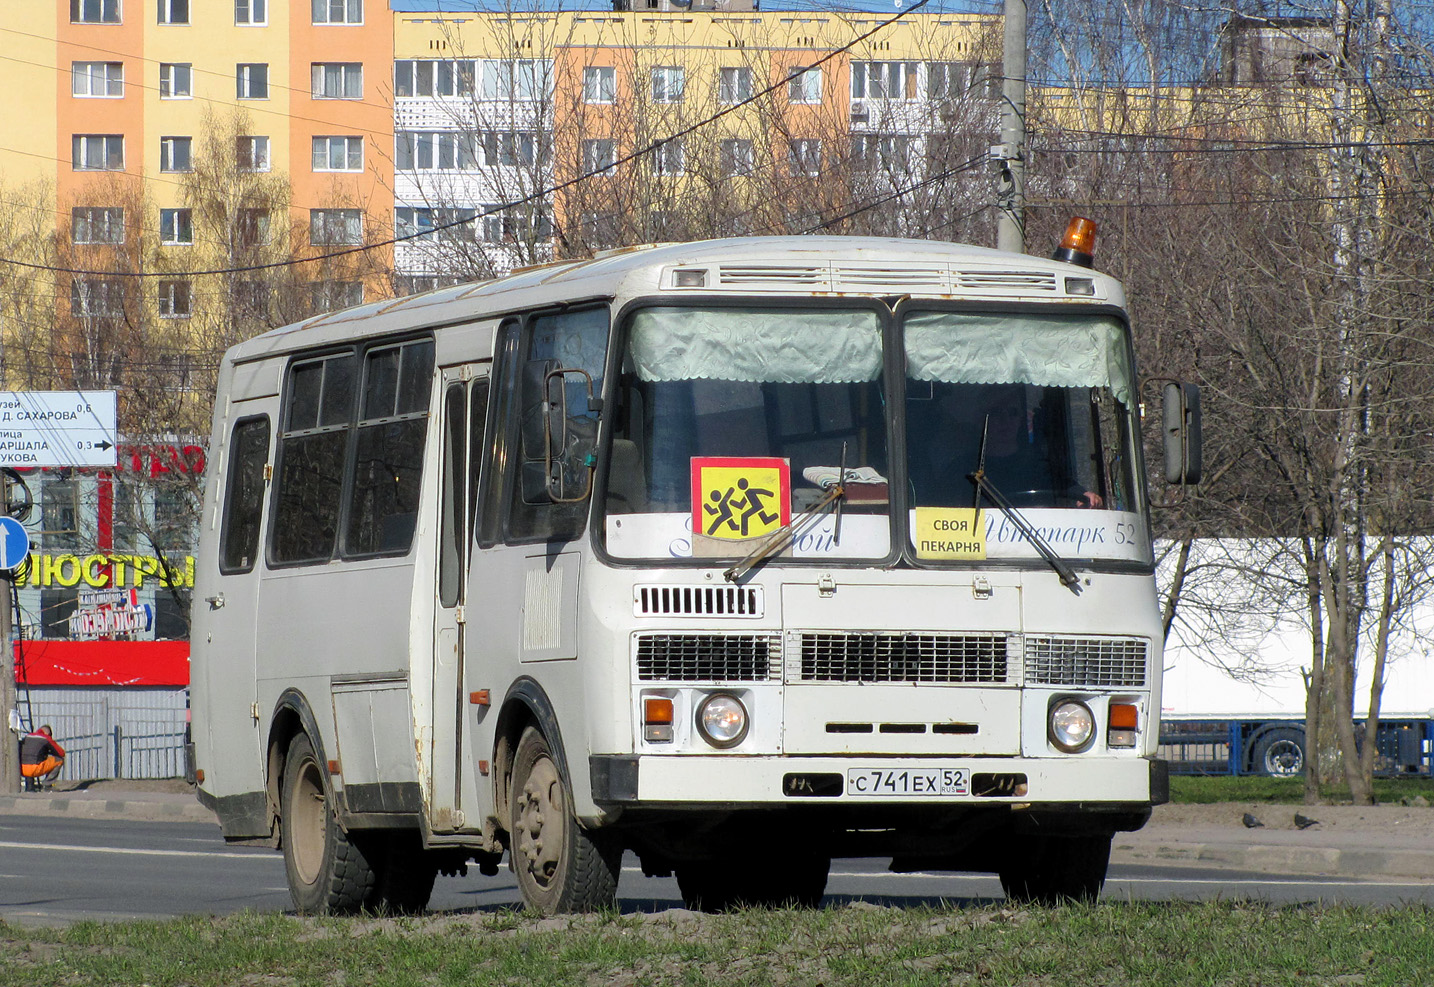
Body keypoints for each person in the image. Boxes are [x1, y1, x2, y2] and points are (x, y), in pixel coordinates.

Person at [19, 724, 65, 792]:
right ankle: (48, 785)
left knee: (29, 759)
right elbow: (61, 753)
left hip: (22, 769)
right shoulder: (46, 738)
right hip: (35, 769)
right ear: (48, 733)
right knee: (59, 760)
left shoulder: (27, 736)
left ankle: (30, 787)